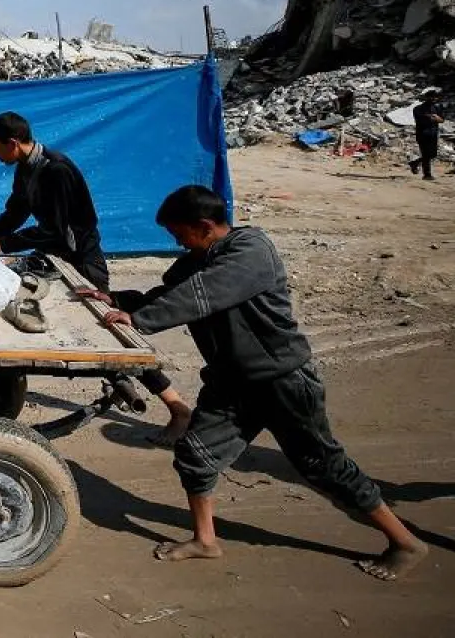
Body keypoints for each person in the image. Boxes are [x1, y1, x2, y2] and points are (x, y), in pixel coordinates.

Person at [102, 185, 427, 581]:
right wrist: (115, 300)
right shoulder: (198, 260)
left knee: (323, 466)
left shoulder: (251, 250)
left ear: (204, 226)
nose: (177, 242)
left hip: (282, 380)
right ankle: (206, 540)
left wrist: (141, 320)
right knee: (195, 454)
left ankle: (405, 541)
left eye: (180, 233)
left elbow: (204, 294)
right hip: (232, 382)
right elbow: (168, 293)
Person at [0, 112, 193, 445]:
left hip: (81, 259)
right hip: (59, 257)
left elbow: (55, 232)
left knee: (112, 332)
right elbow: (15, 215)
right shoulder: (26, 169)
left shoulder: (56, 171)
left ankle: (177, 408)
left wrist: (2, 244)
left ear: (13, 143)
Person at [409, 87, 443, 181]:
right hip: (423, 134)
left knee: (432, 154)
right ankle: (427, 174)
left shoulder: (437, 107)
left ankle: (415, 163)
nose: (434, 99)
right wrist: (429, 117)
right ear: (426, 98)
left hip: (433, 134)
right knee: (426, 154)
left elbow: (442, 120)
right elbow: (418, 120)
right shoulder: (418, 108)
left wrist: (437, 118)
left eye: (435, 97)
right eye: (431, 97)